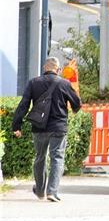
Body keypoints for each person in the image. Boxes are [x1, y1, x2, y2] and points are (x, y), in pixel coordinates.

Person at [12, 57, 83, 201]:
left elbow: (23, 105)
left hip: (38, 127)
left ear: (45, 68)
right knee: (57, 157)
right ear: (58, 69)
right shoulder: (64, 83)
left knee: (40, 158)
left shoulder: (33, 83)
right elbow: (77, 104)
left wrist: (16, 125)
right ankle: (52, 191)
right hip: (58, 127)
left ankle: (39, 190)